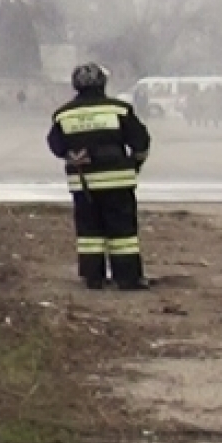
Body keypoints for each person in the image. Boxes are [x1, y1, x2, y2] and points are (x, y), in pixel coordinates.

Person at [46, 63, 152, 290]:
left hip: (83, 185)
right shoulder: (120, 110)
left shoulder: (63, 114)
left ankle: (93, 278)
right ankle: (128, 279)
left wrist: (72, 154)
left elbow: (56, 146)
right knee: (123, 234)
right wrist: (135, 163)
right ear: (103, 82)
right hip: (118, 183)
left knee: (89, 233)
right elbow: (141, 142)